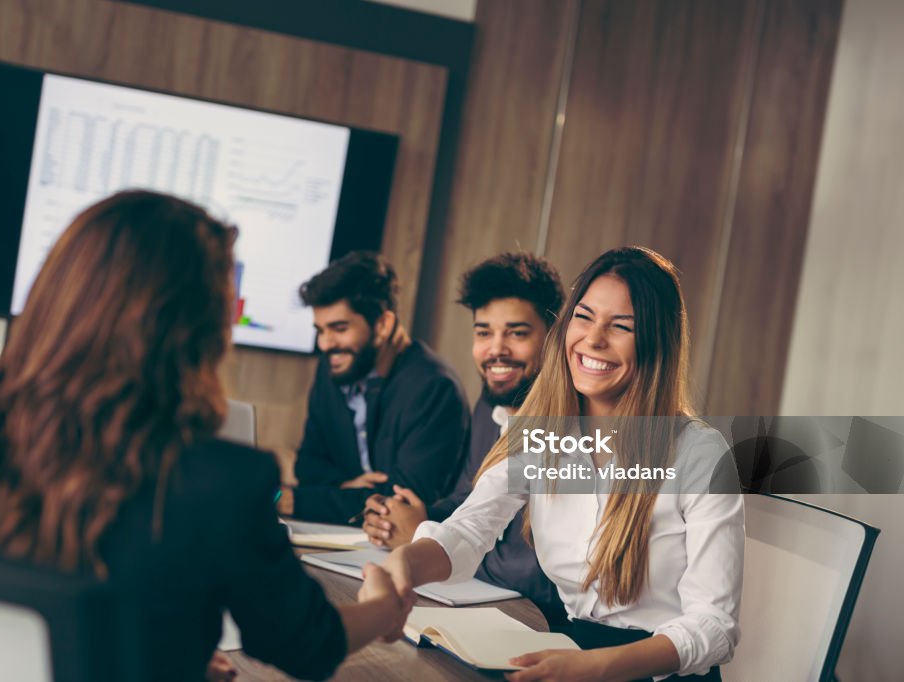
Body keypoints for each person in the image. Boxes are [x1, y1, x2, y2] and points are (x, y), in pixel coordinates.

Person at [0, 191, 409, 682]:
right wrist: (384, 606)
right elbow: (307, 645)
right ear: (197, 330)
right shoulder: (219, 481)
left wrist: (154, 654)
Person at [382, 246, 745, 682]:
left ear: (655, 343)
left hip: (655, 671)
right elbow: (468, 531)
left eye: (621, 327)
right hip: (567, 649)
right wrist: (404, 567)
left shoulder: (700, 455)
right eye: (585, 316)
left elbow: (715, 627)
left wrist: (596, 668)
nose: (593, 339)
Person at [360, 252, 567, 616]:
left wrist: (425, 539)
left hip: (543, 620)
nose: (496, 350)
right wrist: (417, 516)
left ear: (553, 337)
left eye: (517, 333)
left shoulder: (577, 427)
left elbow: (542, 574)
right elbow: (468, 497)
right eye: (484, 332)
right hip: (483, 604)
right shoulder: (490, 407)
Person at [281, 251, 470, 524]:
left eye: (339, 328)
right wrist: (350, 487)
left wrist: (298, 501)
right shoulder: (332, 369)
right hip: (344, 536)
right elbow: (308, 465)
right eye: (320, 330)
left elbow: (403, 501)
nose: (325, 344)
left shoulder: (435, 387)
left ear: (383, 324)